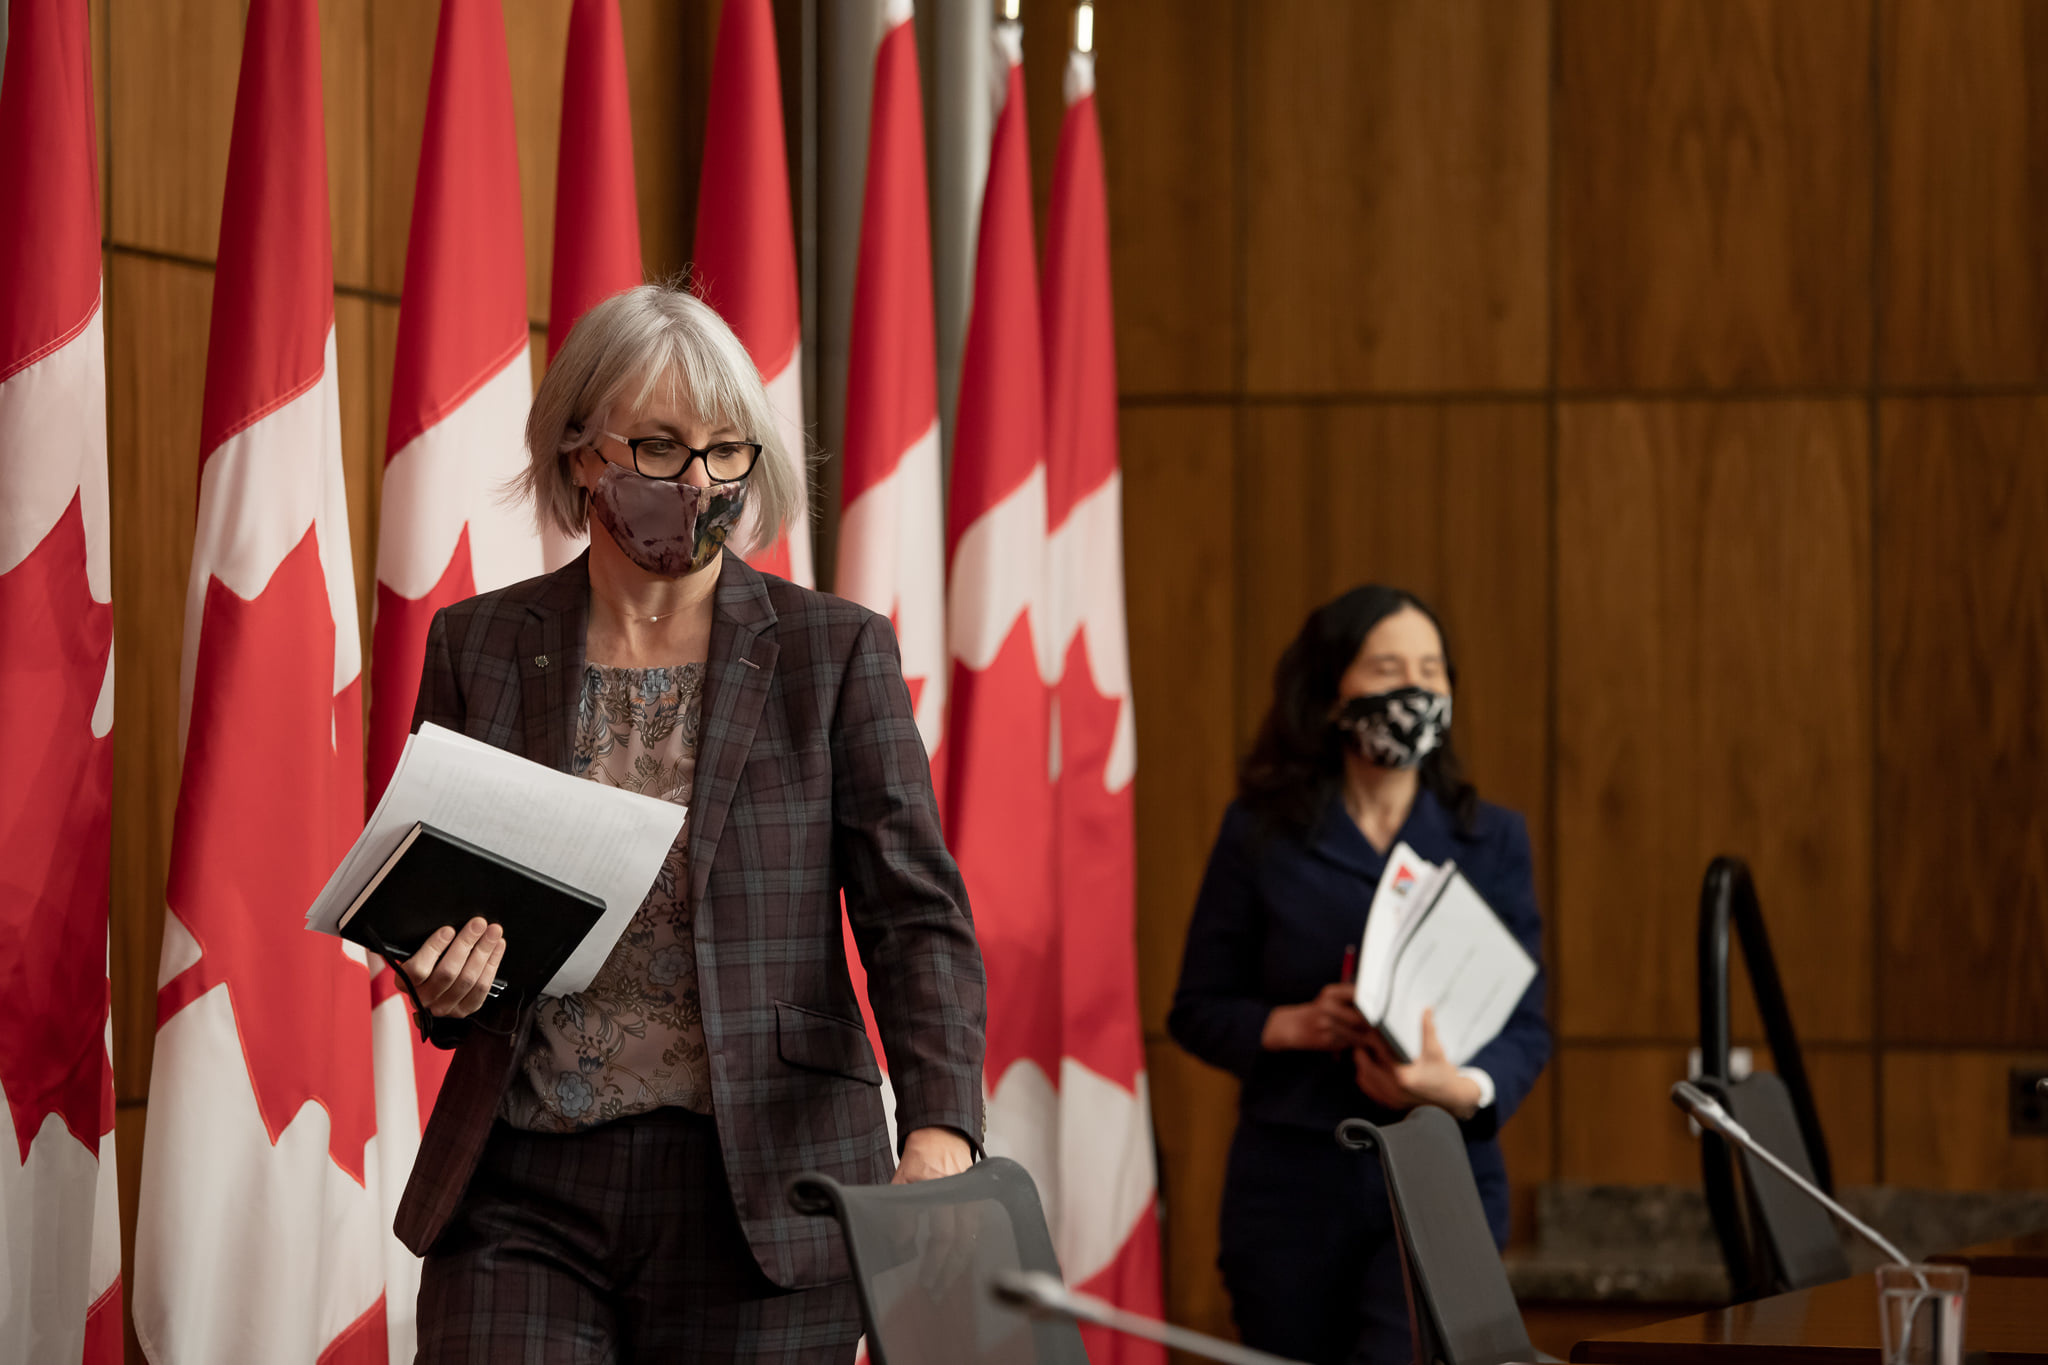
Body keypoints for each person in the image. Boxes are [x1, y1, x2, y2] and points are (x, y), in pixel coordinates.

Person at [388, 283, 987, 1364]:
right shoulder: (476, 645)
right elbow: (438, 900)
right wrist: (440, 978)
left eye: (726, 452)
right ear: (580, 454)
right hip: (526, 1181)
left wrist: (941, 1124)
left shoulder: (831, 653)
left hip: (763, 1185)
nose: (698, 483)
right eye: (658, 449)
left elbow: (915, 916)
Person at [1169, 585, 1549, 1365]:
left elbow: (1527, 1024)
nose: (1414, 687)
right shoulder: (1259, 833)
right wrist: (1290, 1025)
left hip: (1439, 1173)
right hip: (1290, 1190)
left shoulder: (1491, 840)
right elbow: (1197, 1006)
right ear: (1331, 688)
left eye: (1431, 669)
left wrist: (1459, 1086)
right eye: (1387, 667)